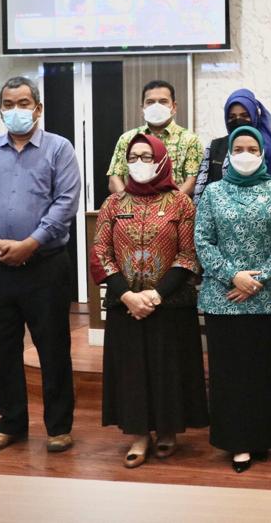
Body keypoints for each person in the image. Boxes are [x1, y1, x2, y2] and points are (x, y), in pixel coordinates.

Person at [0, 76, 81, 454]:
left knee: (53, 349)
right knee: (0, 350)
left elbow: (66, 202)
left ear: (38, 107)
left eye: (22, 102)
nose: (15, 110)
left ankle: (58, 427)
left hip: (46, 266)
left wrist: (31, 243)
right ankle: (10, 422)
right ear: (1, 108)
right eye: (8, 103)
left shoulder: (58, 148)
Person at [89, 134, 207, 468]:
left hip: (170, 303)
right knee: (132, 371)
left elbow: (188, 255)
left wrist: (155, 295)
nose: (139, 163)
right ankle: (139, 434)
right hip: (125, 304)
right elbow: (100, 252)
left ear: (161, 160)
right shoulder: (113, 204)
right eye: (134, 157)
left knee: (167, 367)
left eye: (146, 156)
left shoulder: (180, 204)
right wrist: (127, 294)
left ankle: (168, 430)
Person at [194, 126, 271, 473]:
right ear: (230, 153)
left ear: (263, 153)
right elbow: (203, 240)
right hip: (224, 299)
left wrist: (259, 279)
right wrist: (232, 276)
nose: (246, 154)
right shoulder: (213, 193)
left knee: (263, 372)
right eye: (239, 148)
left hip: (268, 299)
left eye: (253, 148)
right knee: (229, 373)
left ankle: (262, 436)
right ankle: (236, 442)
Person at [107, 80, 202, 197]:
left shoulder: (190, 140)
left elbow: (192, 181)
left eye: (163, 102)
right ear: (143, 108)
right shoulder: (127, 139)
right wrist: (129, 205)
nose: (156, 106)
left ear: (174, 107)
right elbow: (115, 178)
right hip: (132, 211)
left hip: (174, 211)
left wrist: (168, 207)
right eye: (150, 102)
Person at [193, 89, 271, 207]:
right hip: (219, 211)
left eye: (245, 115)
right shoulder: (214, 146)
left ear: (254, 116)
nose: (238, 120)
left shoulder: (270, 148)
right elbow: (201, 186)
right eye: (232, 117)